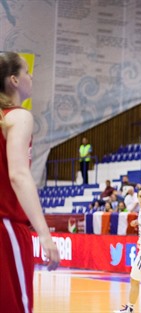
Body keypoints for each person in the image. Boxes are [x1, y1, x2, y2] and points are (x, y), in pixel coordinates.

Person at [0, 51, 60, 313]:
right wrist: (45, 235)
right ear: (13, 79)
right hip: (7, 226)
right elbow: (18, 175)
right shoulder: (18, 117)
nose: (31, 76)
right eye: (26, 72)